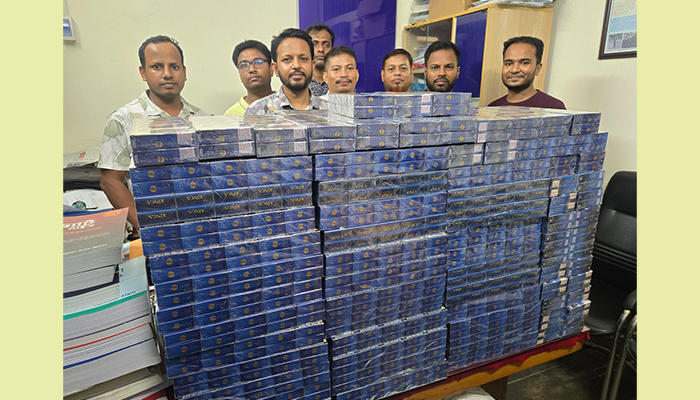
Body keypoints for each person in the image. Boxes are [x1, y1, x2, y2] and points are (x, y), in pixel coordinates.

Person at [98, 35, 209, 240]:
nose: (167, 74)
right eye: (157, 67)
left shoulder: (203, 119)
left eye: (174, 67)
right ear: (143, 72)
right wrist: (148, 227)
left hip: (201, 227)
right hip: (155, 233)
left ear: (184, 72)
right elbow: (110, 181)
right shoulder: (123, 119)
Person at [246, 28, 326, 114]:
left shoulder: (330, 110)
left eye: (303, 58)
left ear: (313, 66)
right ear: (275, 68)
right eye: (287, 59)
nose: (296, 65)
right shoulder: (258, 111)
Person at [488, 36, 566, 109]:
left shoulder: (552, 108)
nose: (514, 70)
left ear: (538, 68)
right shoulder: (493, 108)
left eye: (524, 63)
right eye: (508, 64)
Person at [225, 40, 274, 116]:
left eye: (258, 62)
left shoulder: (287, 105)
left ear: (272, 69)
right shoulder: (231, 115)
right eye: (244, 65)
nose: (252, 69)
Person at [305, 23, 335, 96]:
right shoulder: (299, 81)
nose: (321, 49)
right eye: (314, 44)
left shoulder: (339, 81)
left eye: (326, 45)